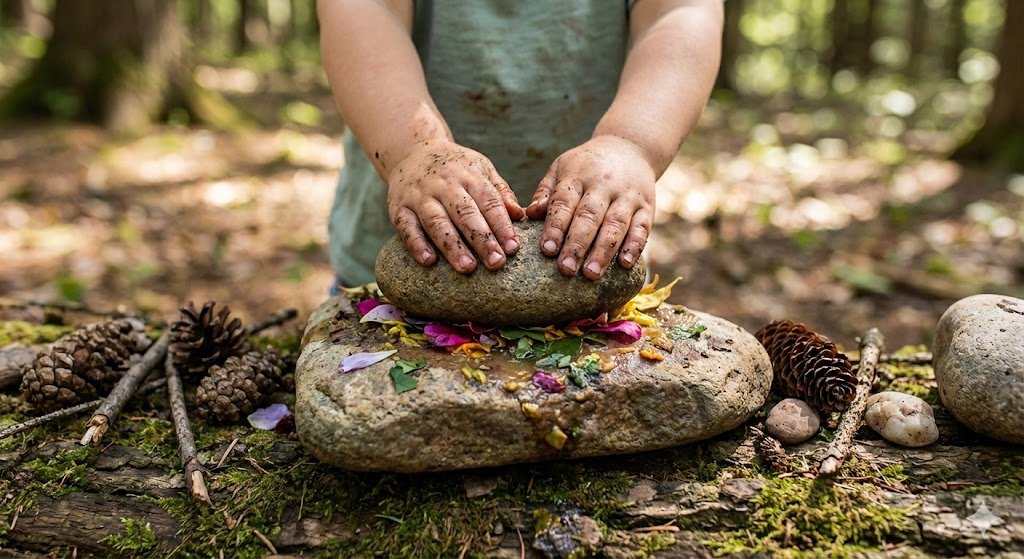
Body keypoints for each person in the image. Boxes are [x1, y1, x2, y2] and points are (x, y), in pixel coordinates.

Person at [318, 0, 722, 288]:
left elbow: (680, 12)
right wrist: (412, 148)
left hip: (594, 250)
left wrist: (631, 143)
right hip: (388, 253)